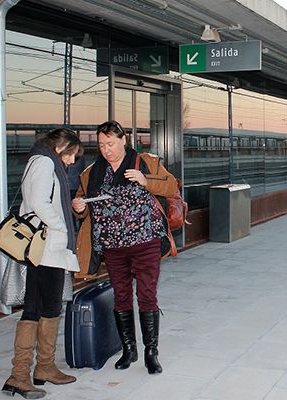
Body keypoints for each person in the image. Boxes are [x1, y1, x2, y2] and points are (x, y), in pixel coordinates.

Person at [72, 121, 178, 375]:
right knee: (121, 297)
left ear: (123, 140)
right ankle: (129, 349)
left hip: (146, 242)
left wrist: (146, 180)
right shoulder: (91, 173)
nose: (106, 150)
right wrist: (79, 207)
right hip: (113, 248)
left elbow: (171, 186)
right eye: (101, 144)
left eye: (110, 143)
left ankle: (151, 352)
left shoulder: (145, 162)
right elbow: (84, 206)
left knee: (147, 295)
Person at [2, 128, 82, 399]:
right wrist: (61, 227)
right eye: (72, 155)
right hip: (46, 249)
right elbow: (38, 202)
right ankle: (22, 374)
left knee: (45, 307)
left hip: (48, 250)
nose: (71, 162)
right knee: (38, 309)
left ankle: (41, 369)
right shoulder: (45, 162)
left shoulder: (41, 160)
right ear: (64, 147)